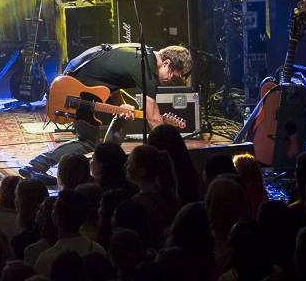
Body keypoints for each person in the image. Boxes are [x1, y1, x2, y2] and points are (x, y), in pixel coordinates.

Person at [20, 43, 192, 185]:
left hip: (79, 80)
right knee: (87, 142)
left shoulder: (142, 52)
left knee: (128, 109)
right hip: (76, 89)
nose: (170, 82)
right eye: (173, 77)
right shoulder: (145, 68)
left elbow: (109, 78)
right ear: (166, 63)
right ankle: (36, 165)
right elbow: (154, 120)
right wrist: (172, 159)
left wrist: (120, 106)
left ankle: (105, 165)